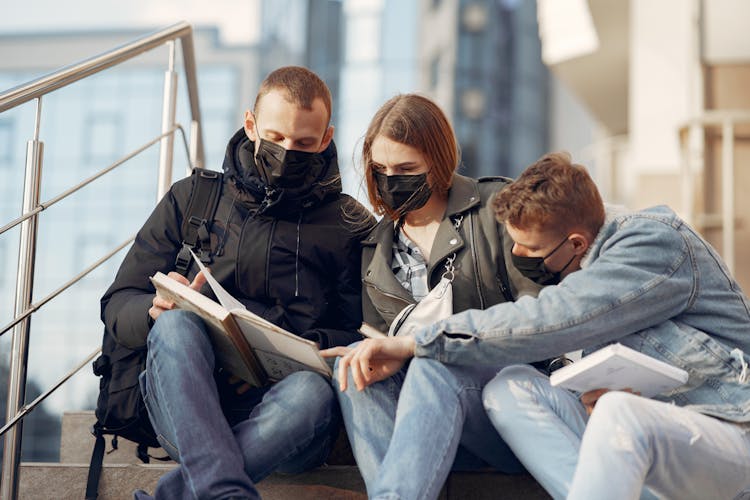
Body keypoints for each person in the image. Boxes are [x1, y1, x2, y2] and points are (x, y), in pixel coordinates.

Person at [333, 152, 750, 500]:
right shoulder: (585, 270)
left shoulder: (653, 244)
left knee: (622, 414)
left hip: (729, 430)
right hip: (652, 445)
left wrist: (411, 343)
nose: (516, 255)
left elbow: (549, 318)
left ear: (575, 244)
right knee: (509, 387)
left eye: (529, 248)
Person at [100, 66, 372, 499]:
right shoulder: (193, 197)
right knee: (174, 326)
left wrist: (296, 348)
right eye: (276, 137)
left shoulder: (349, 225)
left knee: (310, 393)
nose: (288, 151)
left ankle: (202, 489)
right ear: (250, 125)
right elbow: (118, 304)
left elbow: (362, 333)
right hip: (182, 406)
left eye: (303, 143)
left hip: (288, 420)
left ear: (326, 138)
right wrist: (152, 309)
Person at [321, 93, 544, 499]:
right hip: (420, 431)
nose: (391, 180)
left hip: (503, 412)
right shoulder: (375, 251)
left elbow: (540, 316)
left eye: (406, 169)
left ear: (438, 162)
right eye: (381, 169)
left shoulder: (494, 208)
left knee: (432, 364)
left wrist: (424, 350)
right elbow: (379, 343)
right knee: (353, 367)